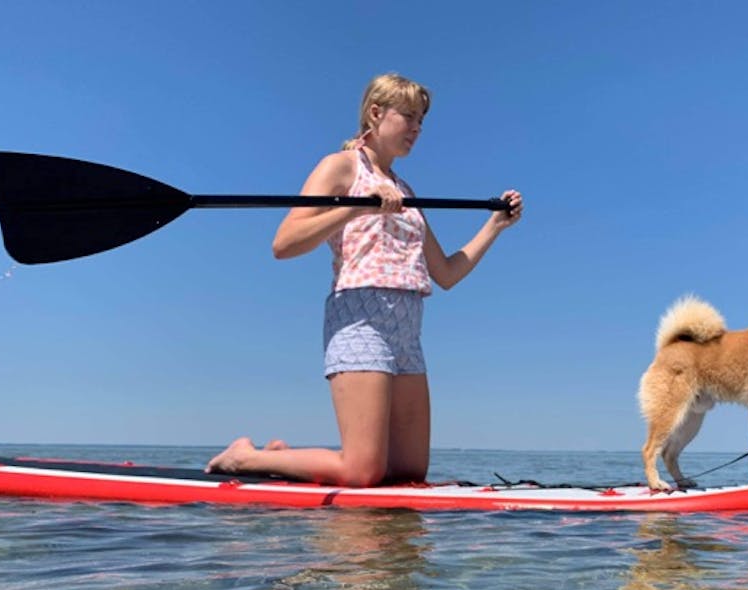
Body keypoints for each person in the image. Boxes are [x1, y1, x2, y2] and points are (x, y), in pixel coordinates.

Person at [206, 72, 522, 486]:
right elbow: (284, 244)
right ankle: (244, 457)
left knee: (410, 472)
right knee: (363, 471)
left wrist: (495, 227)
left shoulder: (404, 190)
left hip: (408, 329)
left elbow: (445, 273)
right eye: (408, 116)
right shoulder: (340, 167)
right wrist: (358, 208)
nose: (416, 129)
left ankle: (283, 459)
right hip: (360, 319)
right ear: (375, 113)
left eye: (421, 121)